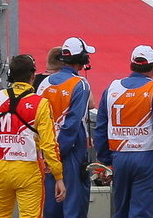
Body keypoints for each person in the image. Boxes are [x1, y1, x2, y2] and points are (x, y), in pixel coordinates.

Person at [95, 46, 153, 218]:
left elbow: (100, 128)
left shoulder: (112, 89)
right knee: (142, 211)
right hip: (147, 158)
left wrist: (106, 160)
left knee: (120, 209)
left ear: (132, 65)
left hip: (119, 157)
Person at [0, 53, 65, 218]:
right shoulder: (40, 104)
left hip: (0, 168)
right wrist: (58, 177)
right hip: (29, 169)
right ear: (33, 76)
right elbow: (49, 145)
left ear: (10, 75)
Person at [38, 37, 95, 218]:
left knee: (50, 205)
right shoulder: (80, 84)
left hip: (46, 150)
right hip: (70, 152)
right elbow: (71, 125)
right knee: (73, 204)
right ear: (82, 59)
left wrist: (48, 154)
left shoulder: (45, 83)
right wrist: (57, 154)